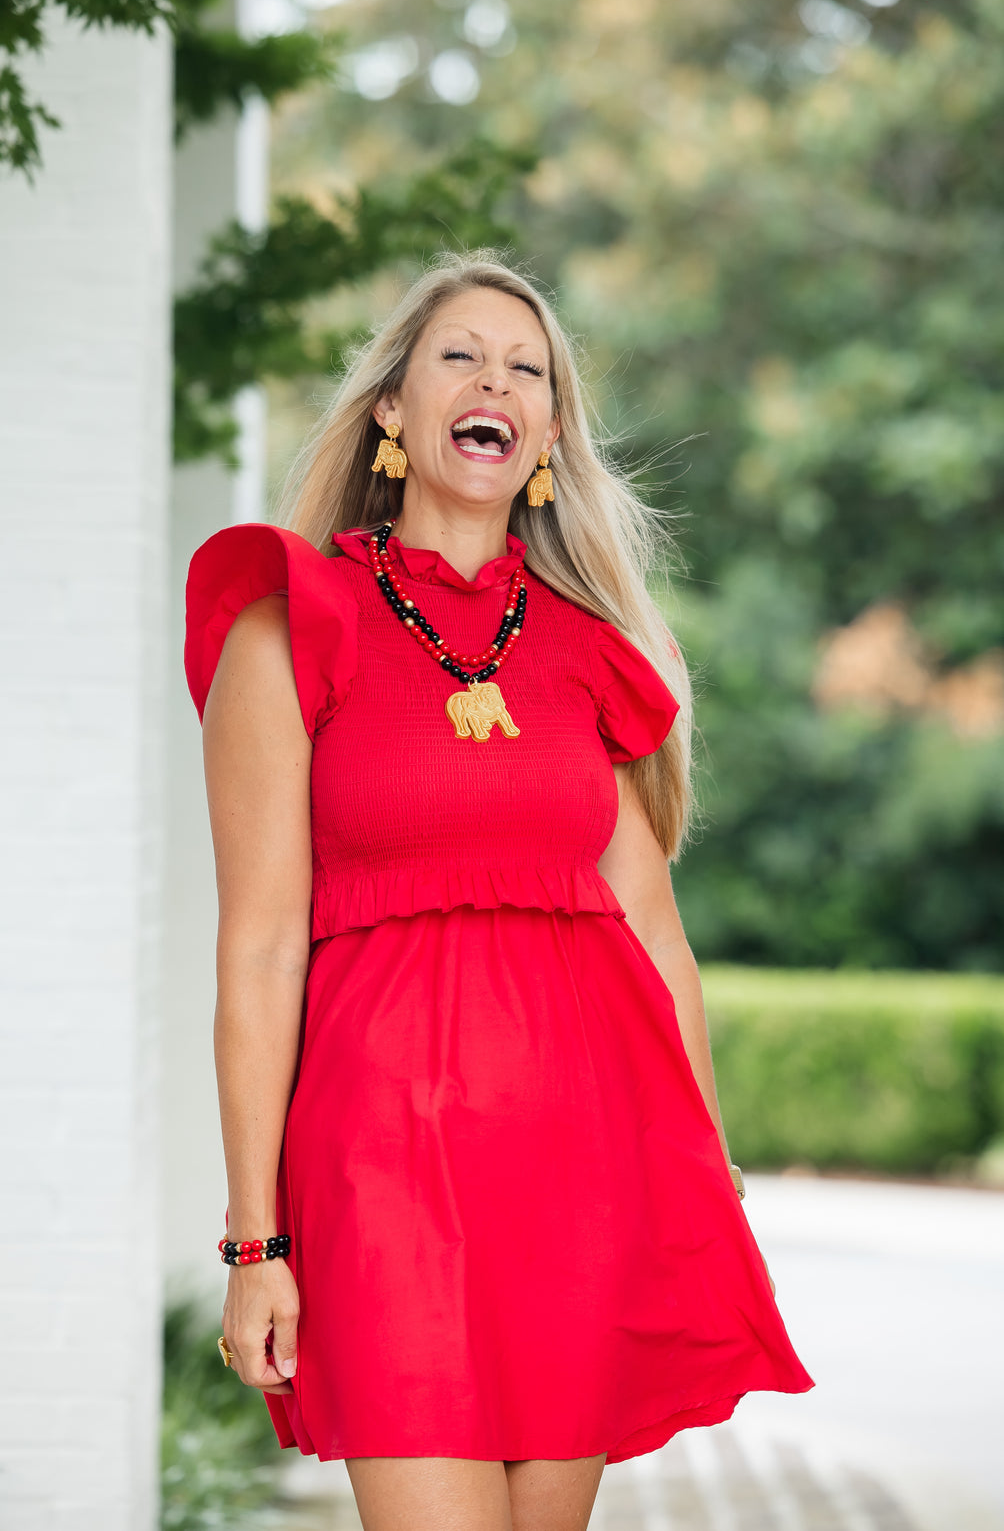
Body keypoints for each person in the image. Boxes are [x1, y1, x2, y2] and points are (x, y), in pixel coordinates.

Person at [184, 253, 814, 1531]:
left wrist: (705, 1172)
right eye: (460, 357)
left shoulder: (593, 651)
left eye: (527, 370)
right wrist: (257, 1242)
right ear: (393, 414)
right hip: (378, 1169)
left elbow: (652, 936)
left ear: (544, 436)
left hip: (575, 1168)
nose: (496, 381)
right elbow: (256, 951)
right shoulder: (294, 623)